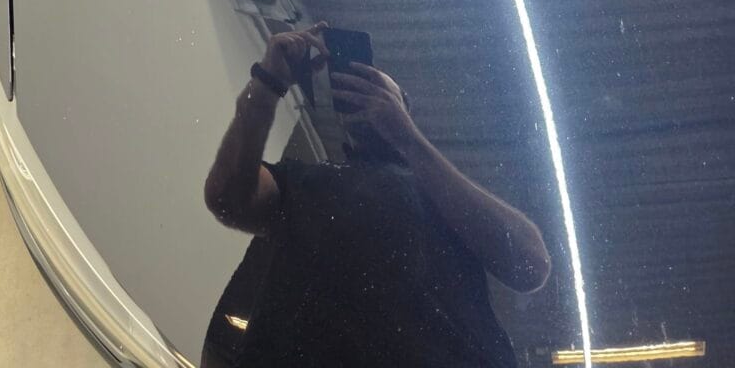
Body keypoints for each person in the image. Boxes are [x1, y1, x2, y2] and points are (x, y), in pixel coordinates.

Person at [204, 24, 551, 368]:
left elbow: (530, 264)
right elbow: (226, 199)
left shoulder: (447, 197)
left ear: (404, 106)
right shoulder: (306, 180)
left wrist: (407, 137)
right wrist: (268, 82)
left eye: (377, 85)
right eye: (353, 83)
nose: (366, 91)